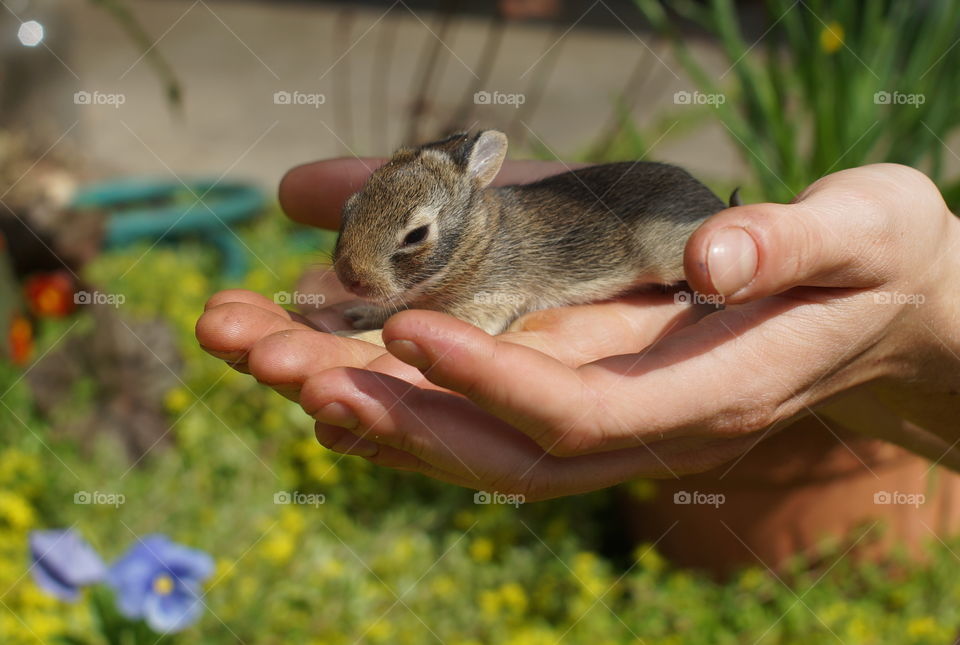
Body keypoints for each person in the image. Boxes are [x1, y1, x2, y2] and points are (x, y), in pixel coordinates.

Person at [196, 159, 960, 501]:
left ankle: (702, 276)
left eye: (412, 245)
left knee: (675, 253)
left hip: (647, 224)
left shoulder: (500, 248)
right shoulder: (442, 245)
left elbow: (484, 310)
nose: (354, 271)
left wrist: (918, 291)